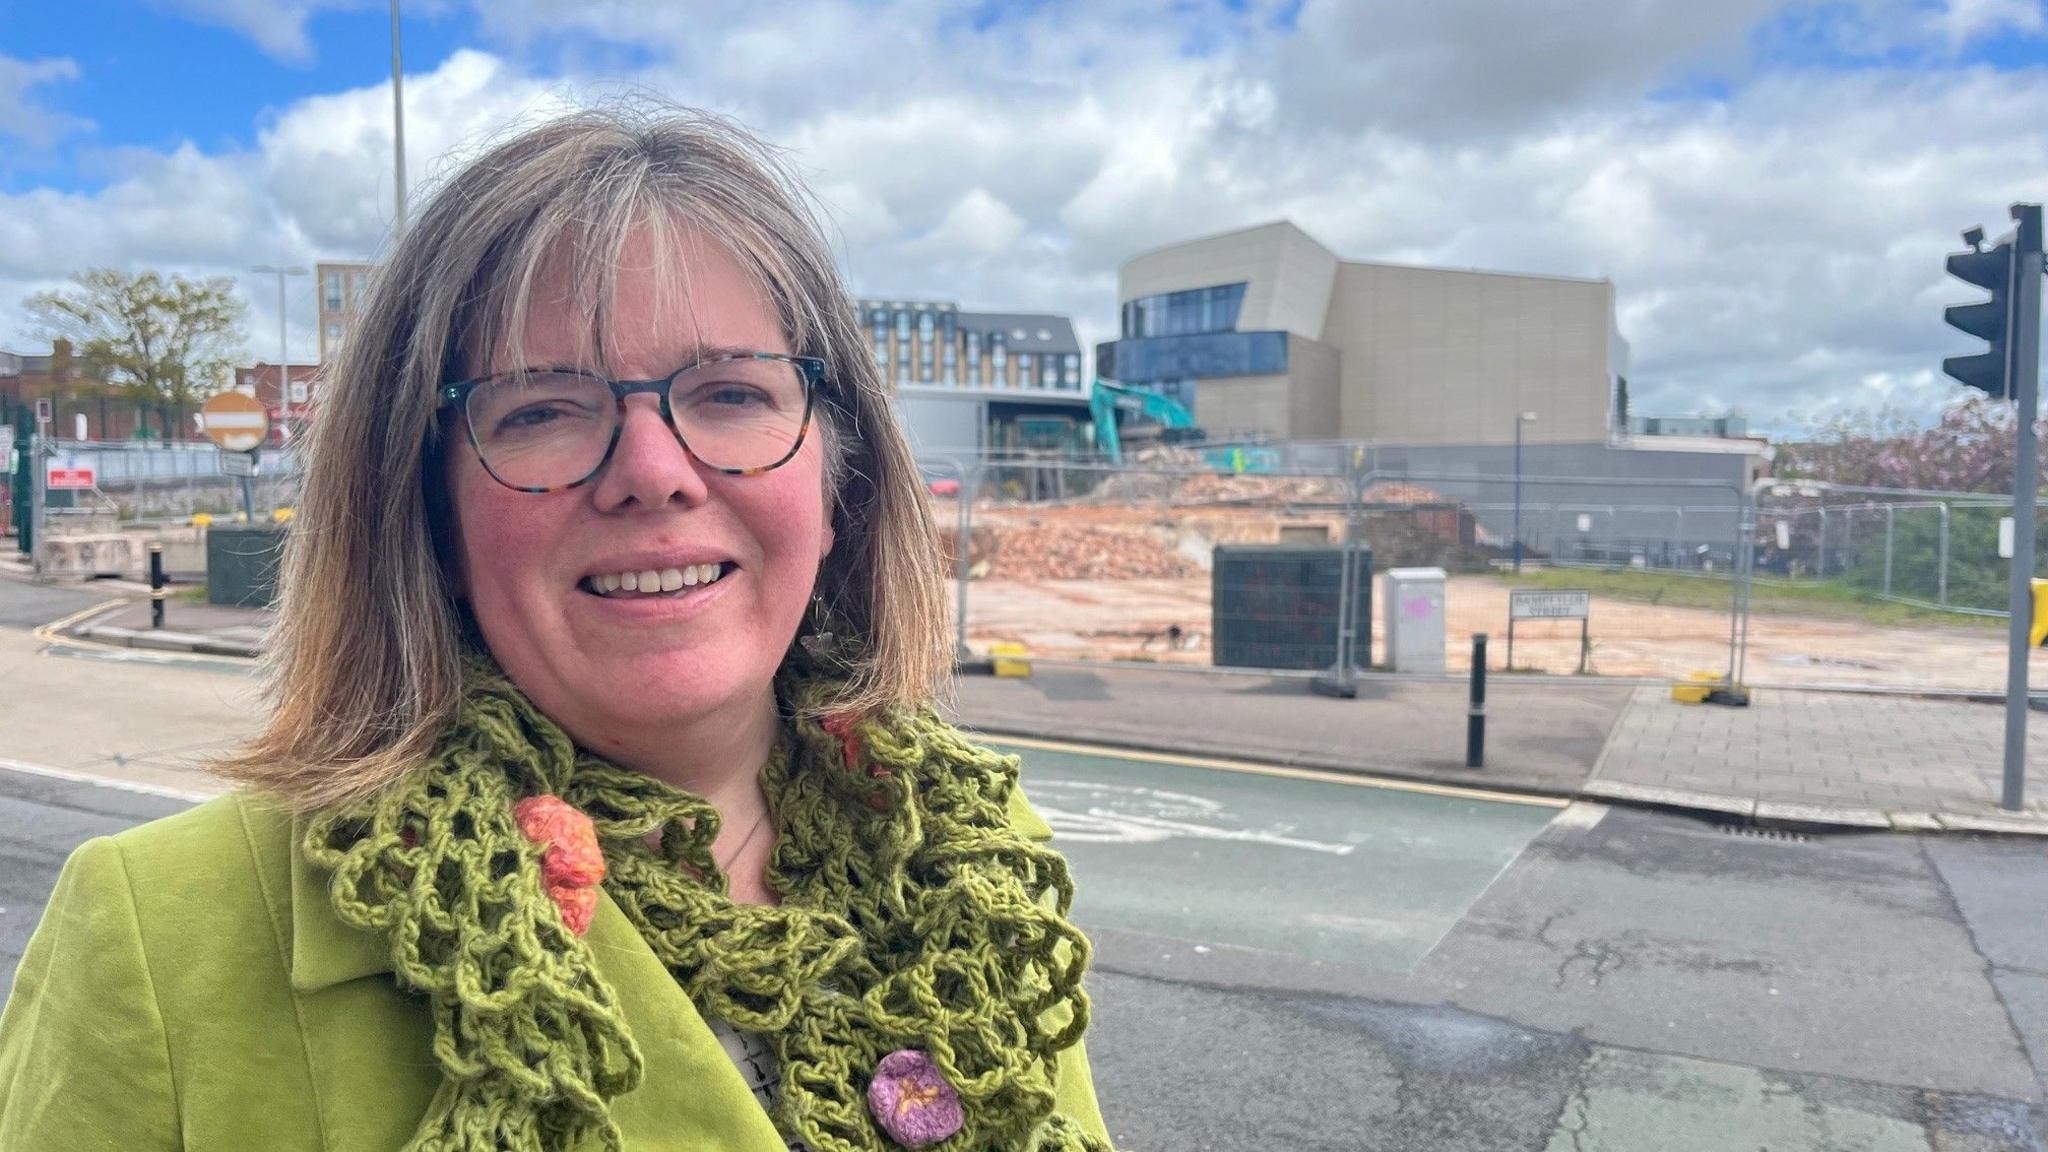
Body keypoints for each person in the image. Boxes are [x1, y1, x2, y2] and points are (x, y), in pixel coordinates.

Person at [0, 105, 1112, 1152]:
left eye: (731, 392)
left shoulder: (974, 859)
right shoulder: (156, 937)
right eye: (540, 410)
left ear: (838, 480)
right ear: (424, 505)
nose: (652, 473)